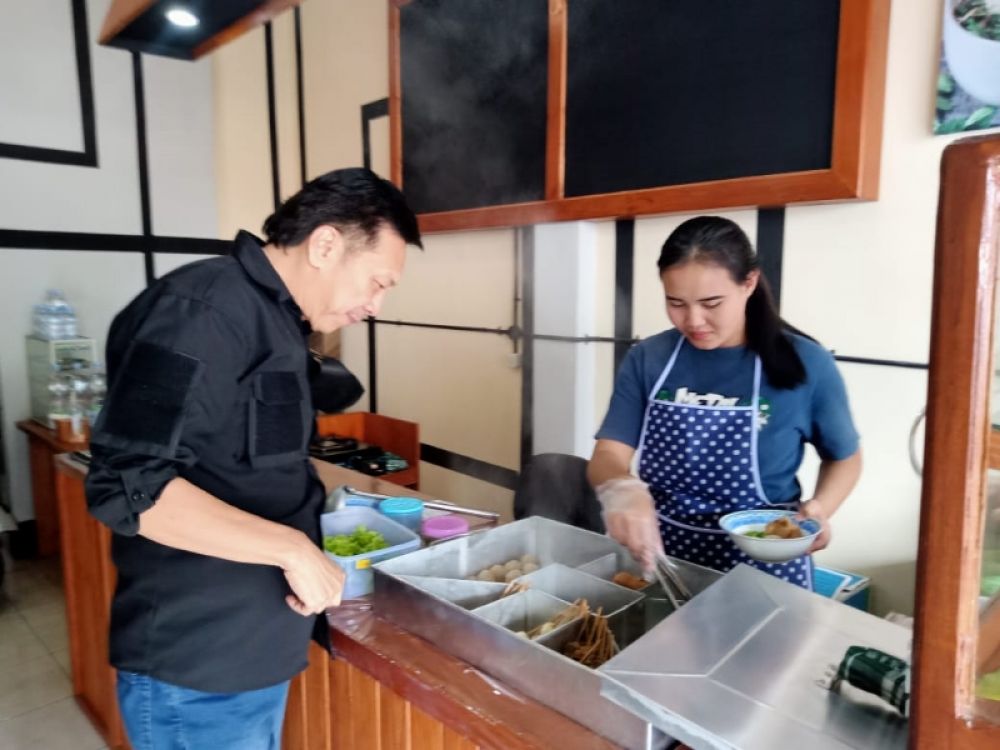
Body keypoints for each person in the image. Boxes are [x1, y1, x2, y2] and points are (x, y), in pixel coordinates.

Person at [85, 168, 421, 749]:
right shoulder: (202, 311)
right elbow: (126, 485)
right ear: (325, 244)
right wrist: (290, 548)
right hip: (197, 667)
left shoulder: (277, 321)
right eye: (377, 282)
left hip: (248, 654)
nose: (376, 304)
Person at [588, 216, 861, 590]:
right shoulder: (649, 358)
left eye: (711, 303)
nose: (694, 320)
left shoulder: (807, 363)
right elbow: (609, 453)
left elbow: (845, 457)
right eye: (676, 303)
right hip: (665, 555)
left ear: (748, 283)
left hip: (765, 560)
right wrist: (621, 488)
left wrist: (818, 511)